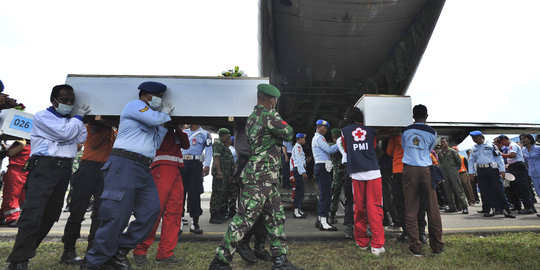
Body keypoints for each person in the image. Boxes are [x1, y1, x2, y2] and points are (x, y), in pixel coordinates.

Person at [209, 83, 301, 270]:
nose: (275, 103)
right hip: (260, 176)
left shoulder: (253, 118)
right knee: (244, 218)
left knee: (276, 218)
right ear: (270, 100)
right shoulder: (267, 116)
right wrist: (277, 127)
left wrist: (276, 136)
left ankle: (280, 261)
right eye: (275, 100)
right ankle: (220, 261)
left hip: (268, 176)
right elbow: (289, 133)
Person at [84, 81, 174, 269]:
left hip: (143, 168)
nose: (160, 99)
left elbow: (156, 143)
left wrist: (163, 121)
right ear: (146, 95)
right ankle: (94, 262)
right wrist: (164, 114)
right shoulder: (136, 106)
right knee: (115, 216)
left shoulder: (154, 117)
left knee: (151, 211)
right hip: (124, 164)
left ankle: (119, 251)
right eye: (157, 95)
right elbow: (154, 119)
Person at [6, 84, 90, 270]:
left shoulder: (71, 120)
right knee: (33, 214)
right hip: (44, 166)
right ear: (53, 100)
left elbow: (80, 138)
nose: (68, 103)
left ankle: (26, 252)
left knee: (51, 214)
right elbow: (66, 133)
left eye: (71, 101)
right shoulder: (43, 116)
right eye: (64, 100)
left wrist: (75, 121)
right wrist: (77, 118)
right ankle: (18, 261)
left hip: (63, 168)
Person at [132, 125, 189, 265]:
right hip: (161, 170)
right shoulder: (158, 127)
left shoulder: (175, 131)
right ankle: (140, 250)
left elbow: (186, 144)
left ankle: (165, 254)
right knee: (154, 212)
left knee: (174, 213)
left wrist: (178, 129)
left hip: (175, 170)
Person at [60, 123, 116, 265]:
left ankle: (93, 252)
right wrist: (107, 128)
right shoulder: (93, 125)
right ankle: (68, 251)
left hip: (106, 170)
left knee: (100, 214)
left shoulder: (114, 129)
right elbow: (94, 143)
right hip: (88, 168)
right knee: (77, 212)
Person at [401, 104, 444, 257]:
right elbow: (429, 149)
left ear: (413, 116)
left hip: (409, 170)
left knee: (411, 208)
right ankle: (437, 246)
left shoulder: (405, 130)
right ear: (426, 116)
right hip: (426, 170)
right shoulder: (432, 132)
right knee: (432, 208)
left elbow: (404, 146)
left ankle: (415, 248)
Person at [341, 107, 385, 256]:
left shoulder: (345, 132)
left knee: (359, 208)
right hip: (373, 172)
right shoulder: (371, 131)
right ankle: (377, 246)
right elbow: (373, 147)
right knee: (375, 208)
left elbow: (347, 149)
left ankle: (362, 242)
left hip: (356, 174)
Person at [386, 135, 428, 244]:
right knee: (418, 202)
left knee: (400, 203)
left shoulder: (395, 136)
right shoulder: (415, 134)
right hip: (415, 169)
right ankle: (421, 233)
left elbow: (389, 152)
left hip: (398, 171)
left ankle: (406, 232)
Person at [467, 131, 515, 218]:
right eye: (472, 138)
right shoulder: (473, 148)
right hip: (481, 170)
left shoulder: (491, 145)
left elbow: (498, 157)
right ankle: (490, 209)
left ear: (481, 137)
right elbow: (471, 161)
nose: (474, 140)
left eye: (475, 138)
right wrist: (471, 172)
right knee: (485, 191)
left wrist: (502, 170)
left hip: (492, 169)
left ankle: (506, 210)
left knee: (499, 189)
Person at [181, 124, 212, 234]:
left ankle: (195, 223)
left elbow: (209, 149)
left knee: (194, 194)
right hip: (182, 163)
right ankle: (179, 221)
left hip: (196, 164)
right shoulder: (183, 132)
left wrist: (207, 165)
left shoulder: (204, 133)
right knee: (180, 193)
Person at [498, 135, 536, 214]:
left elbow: (513, 155)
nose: (502, 144)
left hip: (518, 167)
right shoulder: (510, 146)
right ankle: (523, 206)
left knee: (522, 188)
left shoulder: (512, 145)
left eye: (501, 142)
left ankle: (529, 207)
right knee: (516, 188)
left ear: (504, 139)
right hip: (513, 167)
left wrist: (501, 154)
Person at [312, 119, 339, 231]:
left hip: (322, 167)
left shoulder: (319, 138)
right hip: (322, 167)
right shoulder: (318, 138)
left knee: (324, 193)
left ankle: (320, 218)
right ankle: (324, 221)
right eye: (325, 128)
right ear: (319, 127)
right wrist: (340, 142)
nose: (326, 130)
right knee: (326, 194)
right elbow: (329, 149)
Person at [0, 139, 31, 227]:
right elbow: (9, 153)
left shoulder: (35, 143)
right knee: (12, 196)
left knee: (21, 197)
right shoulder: (20, 143)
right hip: (15, 172)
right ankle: (12, 219)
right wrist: (21, 145)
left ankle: (2, 216)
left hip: (26, 173)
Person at [209, 128, 236, 224]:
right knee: (217, 195)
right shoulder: (218, 144)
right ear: (223, 135)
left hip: (225, 174)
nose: (228, 138)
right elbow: (217, 159)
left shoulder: (224, 145)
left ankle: (220, 214)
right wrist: (219, 172)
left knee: (223, 194)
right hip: (219, 174)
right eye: (227, 136)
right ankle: (214, 215)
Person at [438, 137, 469, 214]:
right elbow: (440, 163)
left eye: (444, 142)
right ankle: (452, 207)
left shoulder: (452, 151)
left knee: (458, 190)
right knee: (448, 191)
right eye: (441, 142)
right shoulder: (440, 153)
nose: (442, 143)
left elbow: (458, 162)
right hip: (445, 174)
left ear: (448, 143)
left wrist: (454, 169)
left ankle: (464, 207)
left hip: (453, 173)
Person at [520, 133, 540, 217]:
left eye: (524, 138)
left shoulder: (538, 148)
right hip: (532, 174)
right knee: (539, 193)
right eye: (521, 139)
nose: (522, 140)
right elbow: (524, 162)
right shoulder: (523, 150)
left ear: (530, 139)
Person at [329, 128, 345, 224]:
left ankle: (332, 216)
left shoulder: (333, 146)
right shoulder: (344, 145)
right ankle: (348, 218)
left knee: (335, 195)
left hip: (337, 175)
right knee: (348, 195)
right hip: (346, 172)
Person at [290, 133, 308, 218]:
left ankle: (299, 209)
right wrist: (303, 172)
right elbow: (299, 160)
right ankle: (296, 211)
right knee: (299, 191)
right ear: (299, 139)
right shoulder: (297, 147)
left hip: (299, 170)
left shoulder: (299, 147)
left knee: (301, 191)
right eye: (303, 139)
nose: (304, 140)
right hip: (298, 170)